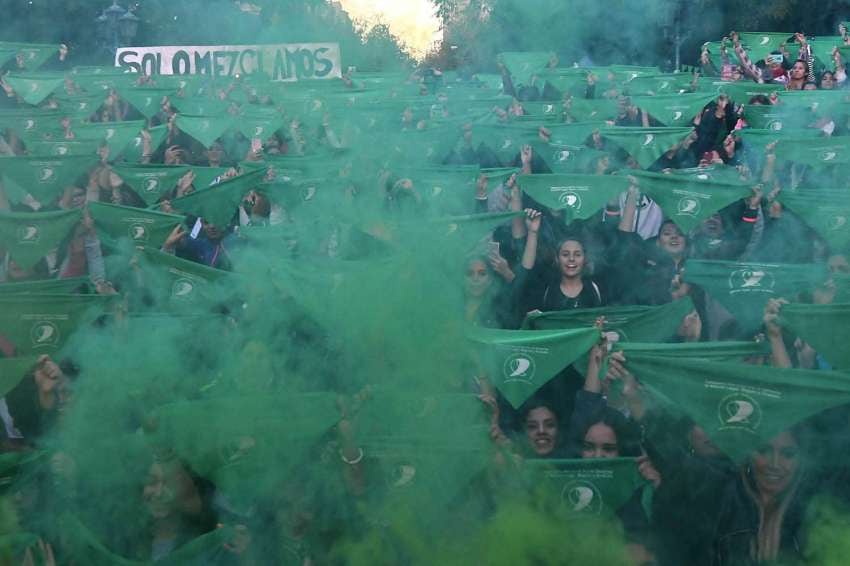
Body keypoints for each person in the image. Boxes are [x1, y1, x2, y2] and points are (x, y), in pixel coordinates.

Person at [516, 208, 604, 313]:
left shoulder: (595, 289)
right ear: (557, 259)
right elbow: (526, 273)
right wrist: (532, 232)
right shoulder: (546, 288)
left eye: (577, 254)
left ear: (585, 259)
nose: (571, 259)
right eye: (565, 254)